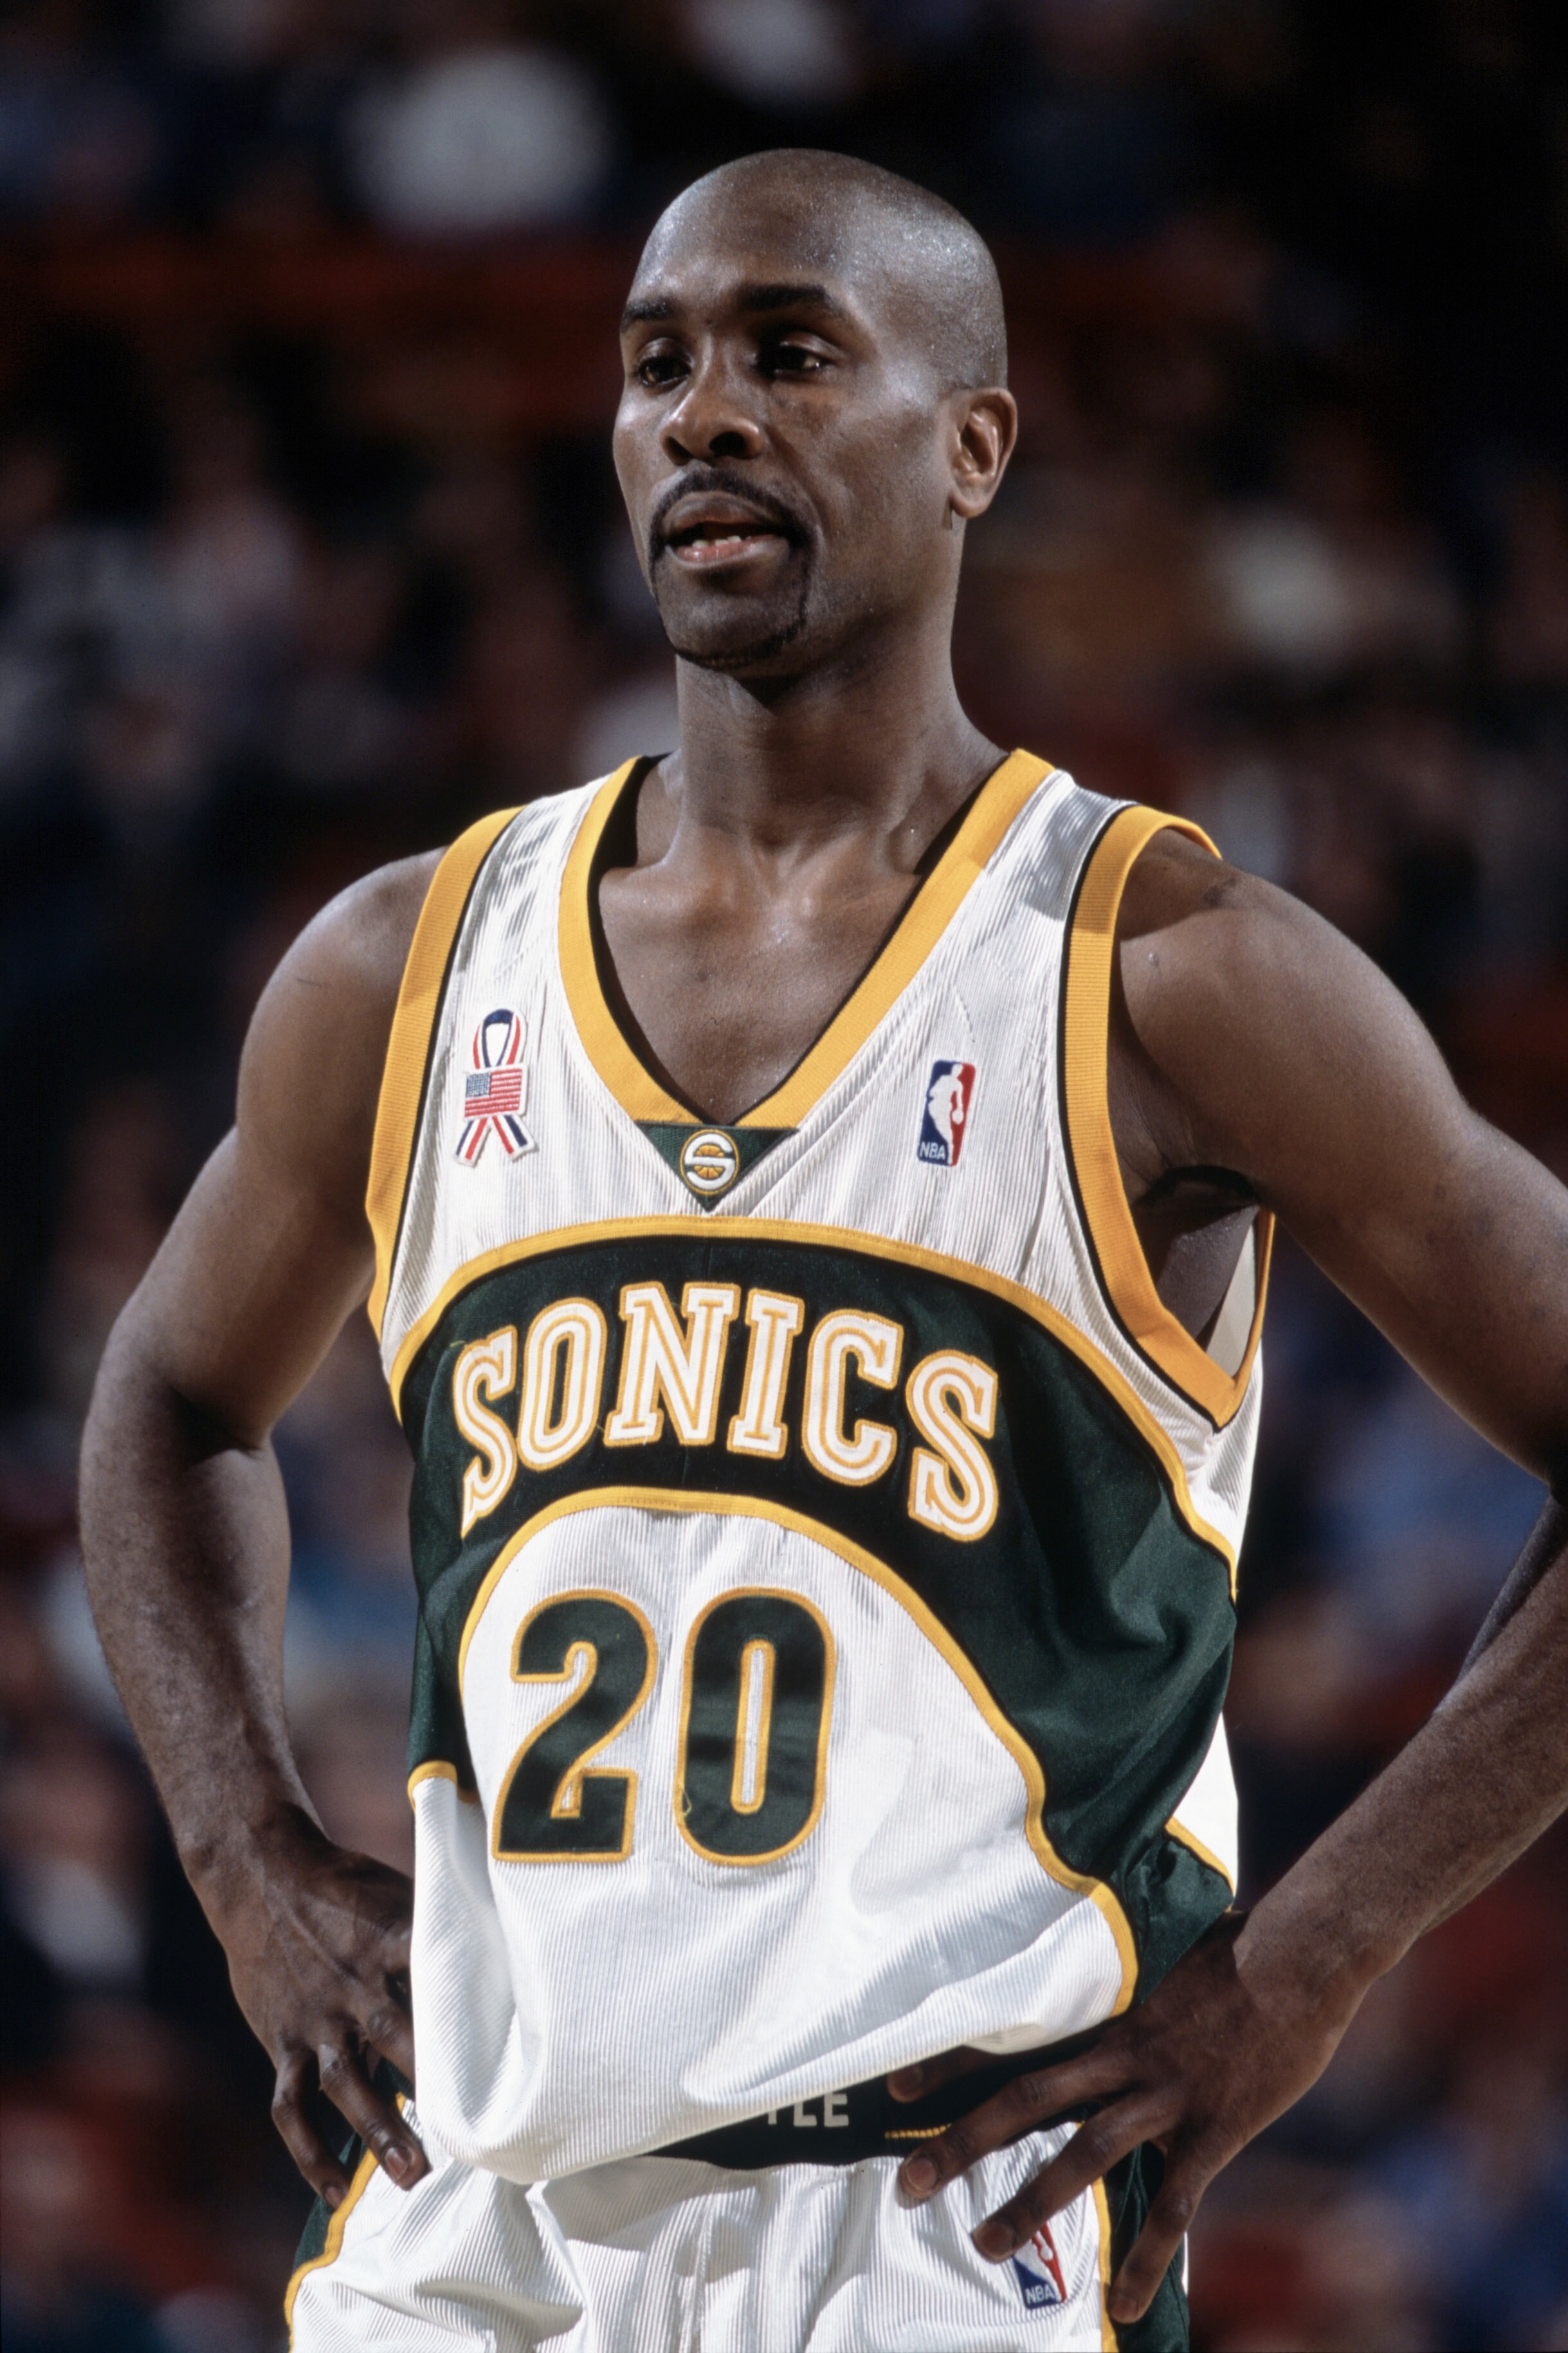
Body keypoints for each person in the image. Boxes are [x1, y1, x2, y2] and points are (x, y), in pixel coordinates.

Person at [80, 151, 1568, 2353]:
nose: (703, 416)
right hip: (473, 2222)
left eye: (790, 352)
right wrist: (244, 1862)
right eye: (654, 363)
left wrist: (1308, 1961)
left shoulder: (1169, 971)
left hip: (942, 2225)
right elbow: (166, 1401)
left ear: (975, 446)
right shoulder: (407, 964)